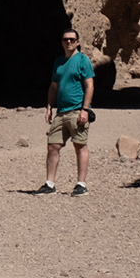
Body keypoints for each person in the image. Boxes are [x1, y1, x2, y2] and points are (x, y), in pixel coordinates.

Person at [39, 28, 94, 196]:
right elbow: (54, 86)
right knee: (53, 146)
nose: (68, 42)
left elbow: (89, 85)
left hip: (77, 111)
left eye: (72, 39)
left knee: (80, 146)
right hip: (61, 112)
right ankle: (49, 184)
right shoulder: (58, 62)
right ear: (62, 42)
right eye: (65, 39)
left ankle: (81, 184)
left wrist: (85, 110)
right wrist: (49, 107)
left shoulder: (83, 61)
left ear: (78, 42)